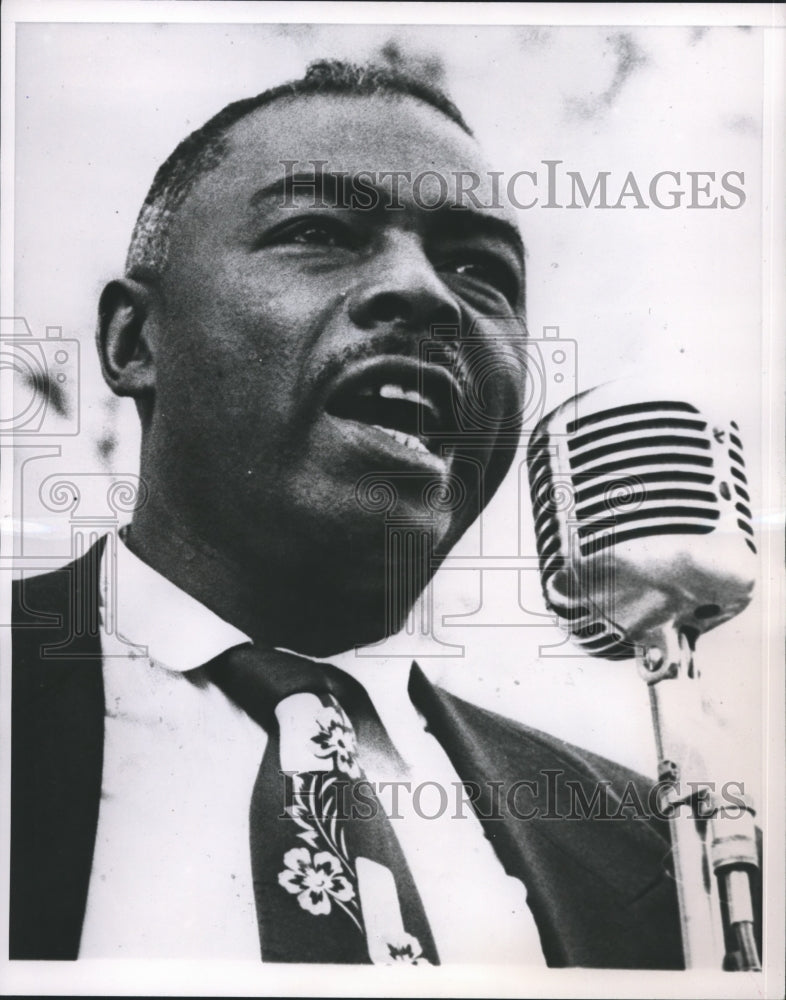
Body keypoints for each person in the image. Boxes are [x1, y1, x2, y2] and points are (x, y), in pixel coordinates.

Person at [11, 59, 693, 967]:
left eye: (479, 270)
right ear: (136, 341)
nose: (426, 292)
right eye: (318, 232)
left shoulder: (654, 857)